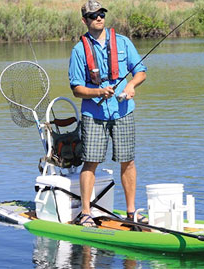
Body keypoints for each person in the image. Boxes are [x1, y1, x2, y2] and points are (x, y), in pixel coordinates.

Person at [68, 0, 147, 227]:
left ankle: (131, 213)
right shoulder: (78, 50)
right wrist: (98, 91)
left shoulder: (123, 42)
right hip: (94, 114)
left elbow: (140, 71)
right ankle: (85, 213)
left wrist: (131, 86)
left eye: (101, 13)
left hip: (123, 112)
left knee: (128, 161)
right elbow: (76, 89)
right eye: (93, 15)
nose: (99, 18)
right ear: (85, 20)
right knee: (90, 162)